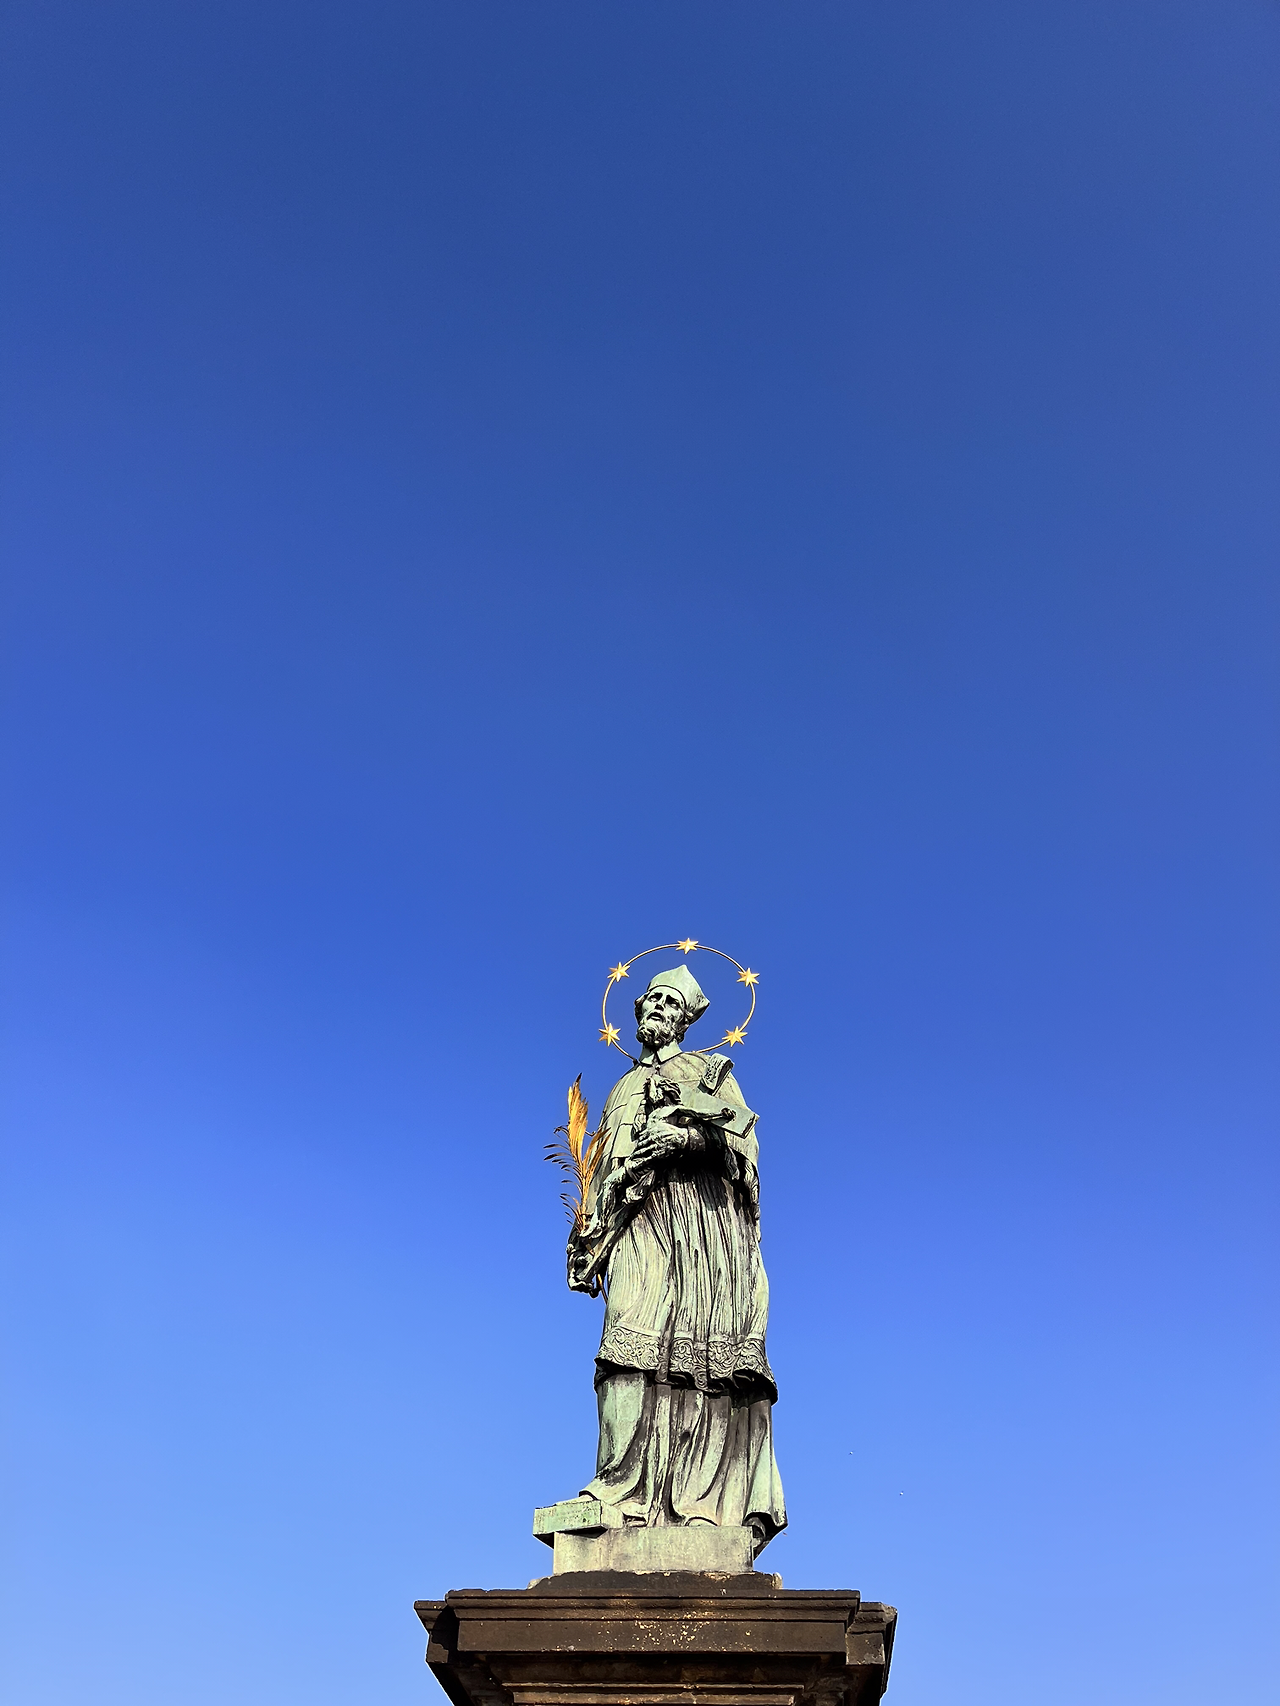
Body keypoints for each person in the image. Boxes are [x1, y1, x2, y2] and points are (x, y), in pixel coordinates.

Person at [565, 965, 786, 1547]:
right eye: (653, 999)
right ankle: (615, 1489)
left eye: (672, 1003)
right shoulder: (620, 1090)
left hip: (701, 1226)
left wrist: (686, 1138)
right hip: (639, 1223)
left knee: (704, 1355)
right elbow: (604, 1167)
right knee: (625, 1344)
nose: (660, 1008)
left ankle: (702, 1503)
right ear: (637, 1010)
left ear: (686, 1020)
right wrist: (590, 1230)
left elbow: (743, 1144)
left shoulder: (709, 1072)